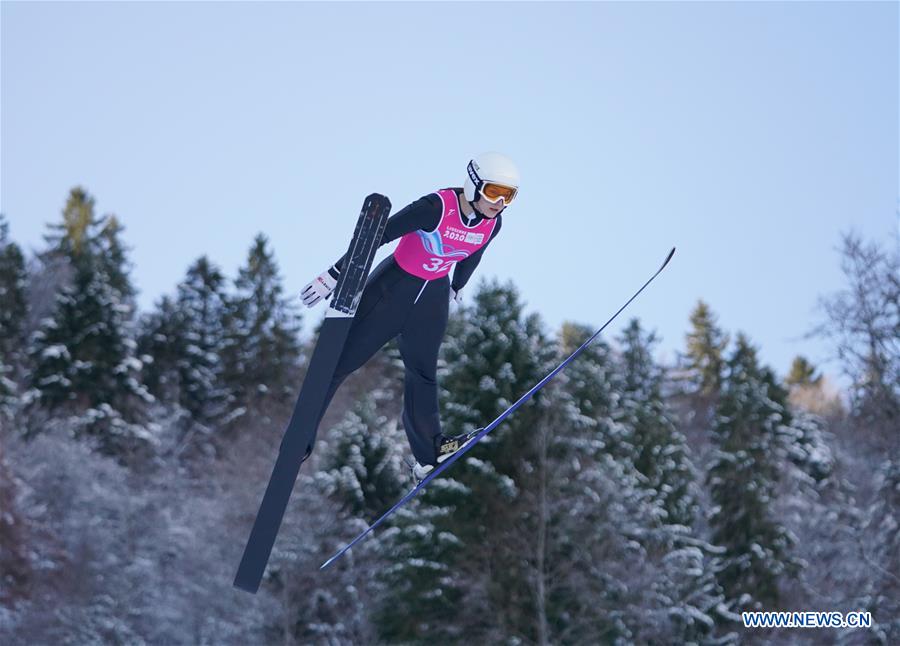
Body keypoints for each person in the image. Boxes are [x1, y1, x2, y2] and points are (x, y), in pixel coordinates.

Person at [300, 152, 520, 480]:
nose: (499, 202)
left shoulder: (494, 223)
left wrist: (457, 287)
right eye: (493, 192)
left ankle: (429, 453)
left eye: (509, 195)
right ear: (474, 184)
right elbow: (377, 235)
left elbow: (474, 254)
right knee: (341, 362)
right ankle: (300, 437)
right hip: (393, 290)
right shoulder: (435, 208)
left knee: (423, 373)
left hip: (431, 299)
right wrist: (335, 274)